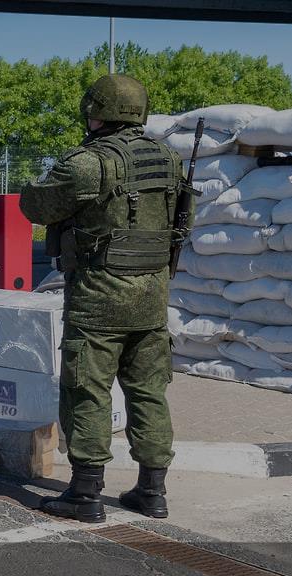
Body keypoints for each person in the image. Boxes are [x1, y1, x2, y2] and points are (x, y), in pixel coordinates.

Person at [19, 74, 188, 524]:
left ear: (96, 111)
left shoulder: (87, 163)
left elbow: (36, 207)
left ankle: (85, 493)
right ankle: (152, 491)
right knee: (149, 392)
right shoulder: (170, 159)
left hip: (98, 300)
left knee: (86, 392)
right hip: (151, 299)